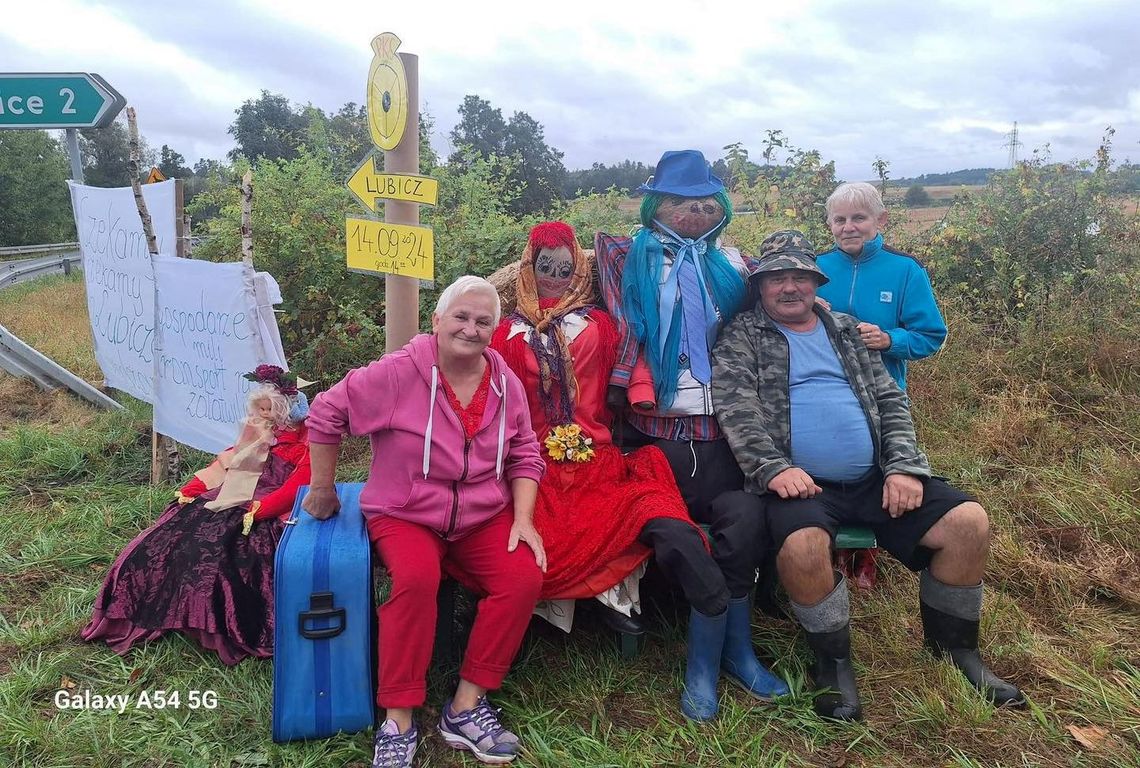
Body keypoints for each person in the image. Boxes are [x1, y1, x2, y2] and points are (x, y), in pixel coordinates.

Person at [711, 230, 1026, 722]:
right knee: (802, 547)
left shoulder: (846, 329)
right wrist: (774, 468)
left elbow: (890, 400)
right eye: (777, 279)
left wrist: (903, 467)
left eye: (800, 277)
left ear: (816, 283)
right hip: (800, 482)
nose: (789, 287)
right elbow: (736, 408)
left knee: (968, 523)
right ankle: (833, 665)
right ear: (760, 286)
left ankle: (956, 650)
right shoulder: (743, 335)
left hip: (875, 476)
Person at [303, 276, 546, 768]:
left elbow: (525, 451)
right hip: (406, 513)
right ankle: (398, 717)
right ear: (437, 321)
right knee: (415, 579)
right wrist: (322, 488)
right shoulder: (398, 373)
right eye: (461, 317)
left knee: (523, 575)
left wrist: (523, 518)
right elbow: (326, 413)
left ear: (494, 331)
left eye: (483, 322)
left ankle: (466, 703)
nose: (471, 329)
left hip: (481, 515)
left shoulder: (505, 383)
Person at [595, 150, 788, 721]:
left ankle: (738, 651)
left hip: (723, 429)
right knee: (674, 530)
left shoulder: (732, 263)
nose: (696, 213)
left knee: (745, 521)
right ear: (658, 204)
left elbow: (782, 302)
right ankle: (701, 665)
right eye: (682, 202)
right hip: (656, 432)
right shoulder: (626, 257)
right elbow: (558, 283)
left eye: (707, 203)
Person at [489, 221, 701, 636]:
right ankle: (546, 606)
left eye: (563, 268)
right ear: (527, 269)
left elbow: (634, 363)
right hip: (529, 458)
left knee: (606, 508)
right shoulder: (505, 335)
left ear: (578, 272)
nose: (552, 276)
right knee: (537, 513)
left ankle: (608, 600)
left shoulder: (601, 327)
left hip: (594, 447)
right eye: (543, 266)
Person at [83, 366, 311, 665]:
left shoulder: (307, 440)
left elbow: (302, 481)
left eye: (271, 409)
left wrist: (262, 509)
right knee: (179, 530)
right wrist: (195, 487)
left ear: (286, 408)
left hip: (265, 497)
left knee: (231, 548)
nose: (265, 414)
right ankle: (159, 604)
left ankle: (211, 618)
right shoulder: (257, 431)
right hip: (234, 488)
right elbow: (231, 459)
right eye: (262, 408)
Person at [817, 181, 949, 588]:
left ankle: (865, 557)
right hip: (826, 393)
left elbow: (930, 335)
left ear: (881, 220)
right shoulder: (816, 267)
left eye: (859, 218)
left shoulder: (905, 269)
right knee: (832, 468)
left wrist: (891, 339)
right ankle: (833, 550)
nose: (849, 227)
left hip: (882, 396)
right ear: (830, 224)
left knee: (877, 469)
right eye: (840, 219)